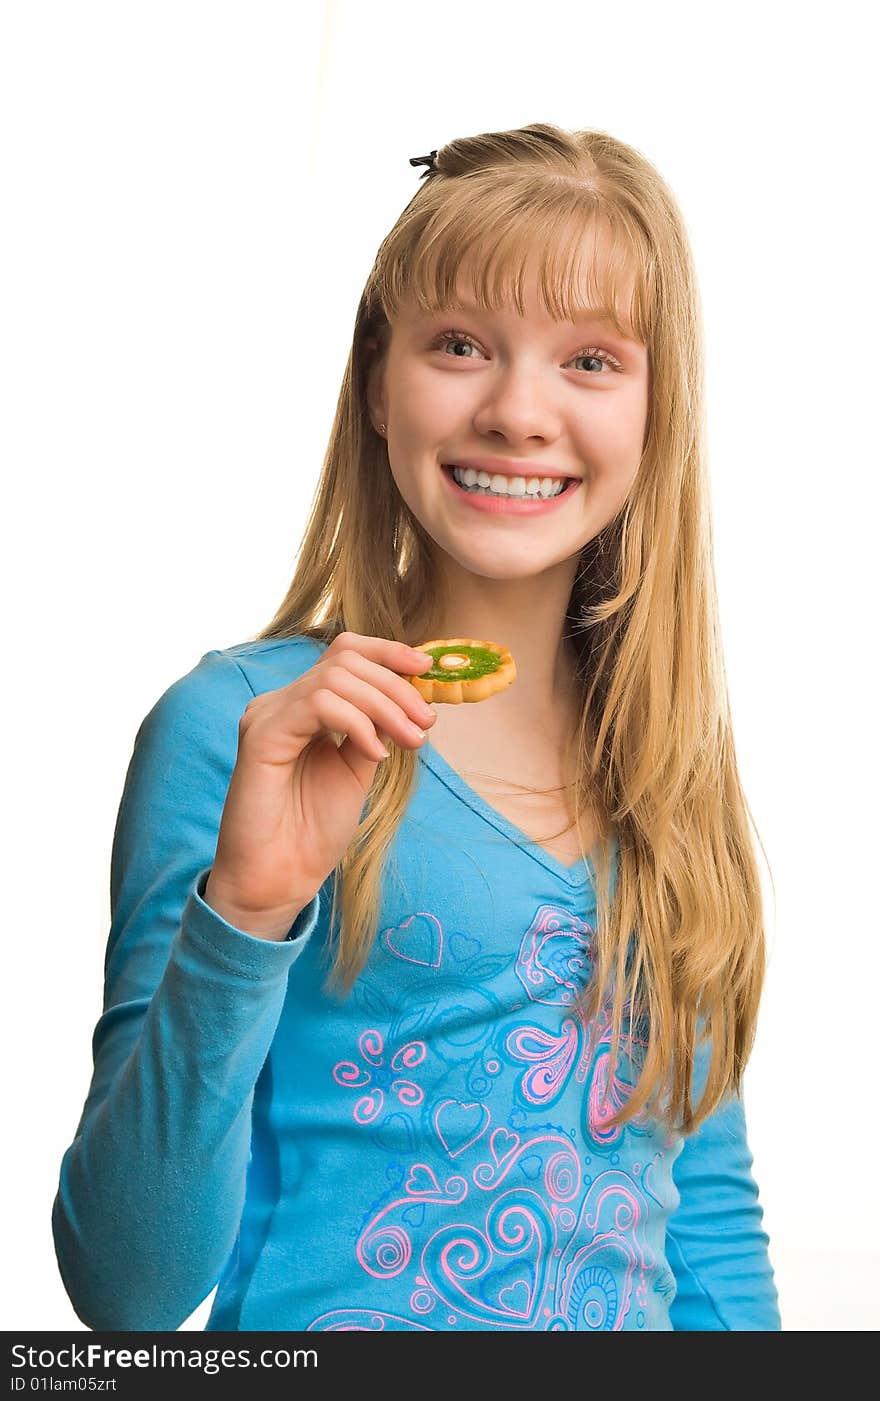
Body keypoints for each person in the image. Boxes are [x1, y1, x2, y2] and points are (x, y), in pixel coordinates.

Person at [51, 122, 781, 1332]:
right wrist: (246, 911)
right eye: (460, 346)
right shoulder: (245, 730)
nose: (517, 411)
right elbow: (127, 1292)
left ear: (660, 413)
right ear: (377, 381)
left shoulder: (662, 771)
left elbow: (704, 1234)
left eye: (590, 361)